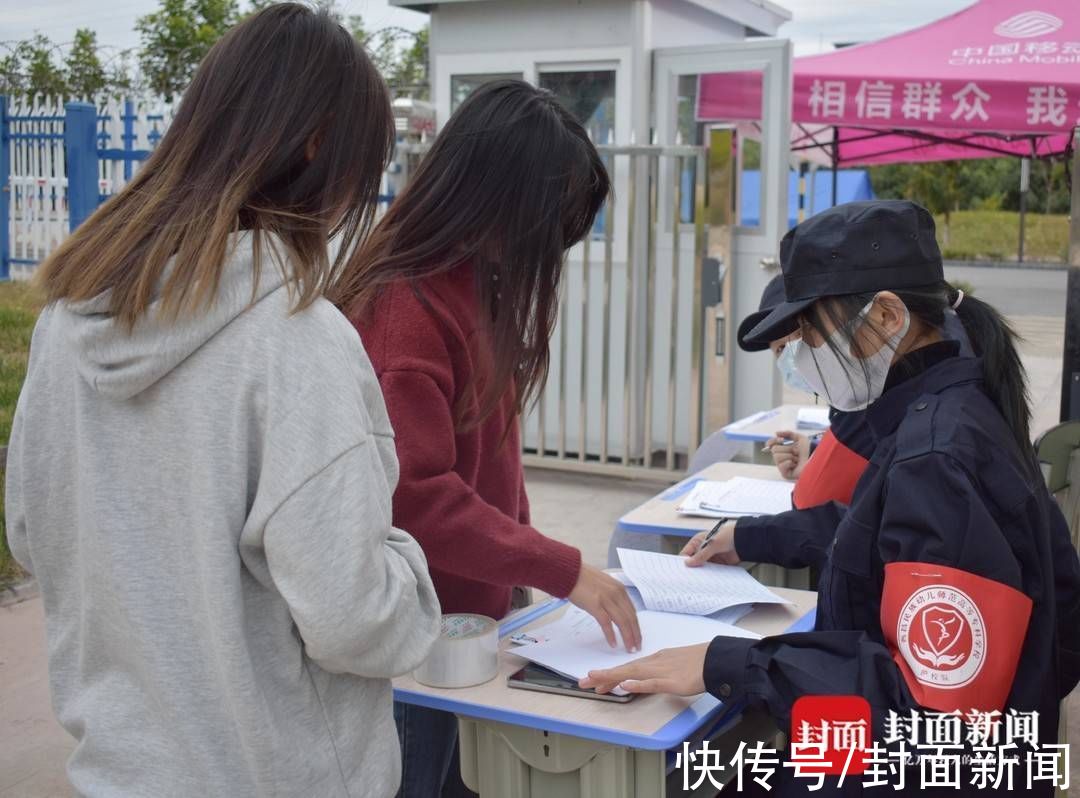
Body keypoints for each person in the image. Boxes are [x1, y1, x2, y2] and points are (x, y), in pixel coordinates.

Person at [6, 6, 440, 796]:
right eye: (361, 166)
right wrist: (407, 573)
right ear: (316, 147)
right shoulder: (301, 341)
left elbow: (33, 534)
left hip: (117, 770)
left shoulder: (68, 321)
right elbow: (354, 619)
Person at [581, 200, 1080, 795]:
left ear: (888, 316)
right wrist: (757, 540)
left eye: (811, 332)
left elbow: (941, 719)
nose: (803, 353)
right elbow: (882, 536)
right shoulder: (948, 414)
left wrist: (731, 663)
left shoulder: (937, 455)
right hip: (965, 756)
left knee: (702, 771)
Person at [330, 80, 640, 797]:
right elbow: (417, 497)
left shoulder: (473, 282)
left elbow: (492, 468)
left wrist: (527, 577)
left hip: (481, 617)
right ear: (490, 199)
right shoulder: (404, 310)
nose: (546, 247)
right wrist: (563, 569)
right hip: (416, 639)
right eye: (545, 223)